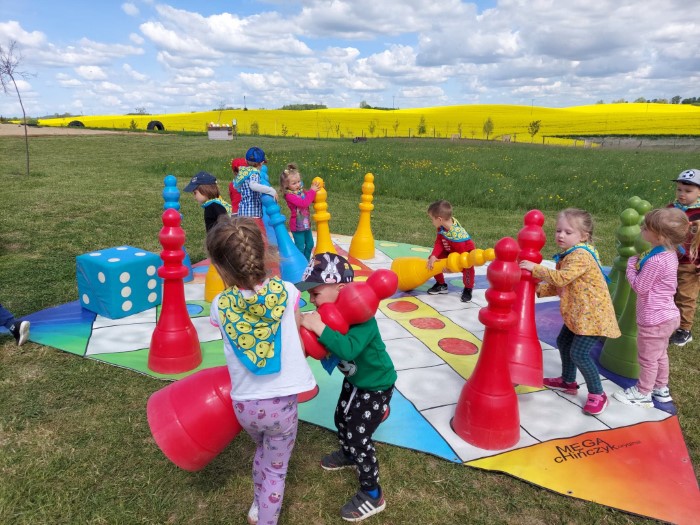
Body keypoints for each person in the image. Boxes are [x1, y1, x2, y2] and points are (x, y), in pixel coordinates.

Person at [206, 216, 316, 525]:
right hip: (281, 406)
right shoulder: (289, 292)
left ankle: (257, 506)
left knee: (262, 450)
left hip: (245, 406)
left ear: (221, 266)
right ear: (264, 253)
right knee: (276, 470)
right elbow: (299, 333)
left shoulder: (220, 305)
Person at [298, 253, 396, 522]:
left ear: (340, 289)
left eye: (316, 293)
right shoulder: (329, 317)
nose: (312, 300)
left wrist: (319, 327)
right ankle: (348, 454)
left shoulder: (364, 319)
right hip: (355, 381)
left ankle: (373, 494)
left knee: (359, 436)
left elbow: (348, 349)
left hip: (376, 385)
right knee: (340, 418)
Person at [519, 208, 620, 416]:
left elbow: (561, 278)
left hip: (593, 317)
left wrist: (535, 268)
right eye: (558, 230)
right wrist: (536, 290)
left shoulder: (580, 255)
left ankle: (598, 393)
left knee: (579, 354)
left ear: (583, 236)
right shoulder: (570, 254)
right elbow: (562, 284)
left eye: (568, 232)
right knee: (563, 342)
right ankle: (568, 381)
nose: (561, 235)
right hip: (579, 315)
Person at [613, 208, 688, 407]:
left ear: (660, 237)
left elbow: (640, 287)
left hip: (653, 319)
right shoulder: (669, 253)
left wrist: (631, 266)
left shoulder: (655, 261)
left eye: (646, 228)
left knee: (647, 359)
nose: (641, 229)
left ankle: (643, 392)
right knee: (660, 355)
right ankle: (661, 389)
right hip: (668, 316)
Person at [667, 168, 700, 346]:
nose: (682, 194)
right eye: (679, 189)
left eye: (688, 191)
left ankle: (684, 330)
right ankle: (669, 323)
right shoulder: (671, 208)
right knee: (669, 292)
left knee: (685, 297)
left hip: (691, 264)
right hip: (669, 260)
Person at [425, 200, 477, 302]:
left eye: (432, 219)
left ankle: (468, 288)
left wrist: (451, 268)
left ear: (439, 219)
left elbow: (461, 258)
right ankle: (441, 284)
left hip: (464, 253)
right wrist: (434, 255)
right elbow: (439, 242)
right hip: (450, 249)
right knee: (433, 260)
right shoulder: (442, 227)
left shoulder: (457, 235)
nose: (431, 222)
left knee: (467, 268)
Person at [280, 163, 321, 260]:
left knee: (310, 244)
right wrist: (312, 191)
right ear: (286, 185)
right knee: (300, 248)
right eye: (294, 183)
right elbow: (304, 203)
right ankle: (299, 264)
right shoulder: (289, 196)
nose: (298, 184)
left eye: (298, 181)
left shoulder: (301, 191)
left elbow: (310, 198)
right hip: (297, 226)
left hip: (306, 224)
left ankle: (306, 262)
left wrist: (318, 192)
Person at [234, 147, 278, 233]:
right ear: (261, 163)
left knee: (245, 235)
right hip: (253, 214)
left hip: (242, 213)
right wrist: (271, 190)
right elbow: (253, 186)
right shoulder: (254, 173)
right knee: (260, 236)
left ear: (246, 161)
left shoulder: (243, 172)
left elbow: (237, 187)